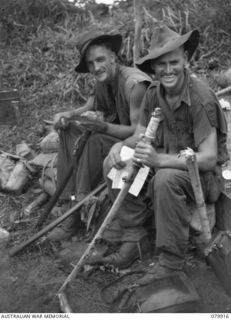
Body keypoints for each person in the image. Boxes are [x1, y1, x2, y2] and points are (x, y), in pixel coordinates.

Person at [99, 25, 229, 276]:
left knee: (165, 177)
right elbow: (140, 135)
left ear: (185, 60)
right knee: (113, 162)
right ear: (153, 67)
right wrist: (118, 147)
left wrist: (159, 160)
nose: (168, 70)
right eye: (161, 64)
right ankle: (136, 236)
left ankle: (171, 260)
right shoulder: (152, 94)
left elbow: (208, 158)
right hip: (165, 165)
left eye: (174, 62)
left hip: (202, 178)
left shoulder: (200, 97)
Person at [48, 29, 151, 242]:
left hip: (141, 143)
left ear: (113, 56)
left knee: (95, 139)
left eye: (100, 60)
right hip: (115, 136)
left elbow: (138, 132)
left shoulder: (134, 84)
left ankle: (77, 211)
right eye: (91, 63)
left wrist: (102, 127)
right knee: (68, 128)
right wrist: (70, 114)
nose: (96, 67)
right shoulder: (103, 80)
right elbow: (90, 104)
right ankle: (69, 199)